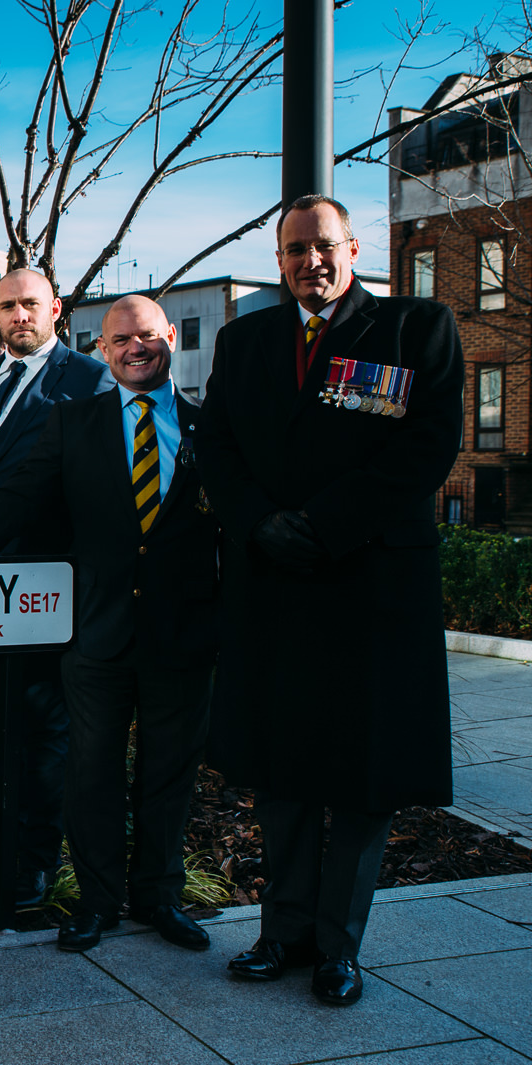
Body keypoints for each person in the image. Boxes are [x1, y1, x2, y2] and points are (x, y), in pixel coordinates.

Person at [197, 194, 463, 1005]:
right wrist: (260, 526)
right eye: (292, 250)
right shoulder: (246, 341)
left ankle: (339, 947)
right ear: (277, 261)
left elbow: (427, 446)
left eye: (322, 245)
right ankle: (282, 932)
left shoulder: (417, 330)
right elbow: (218, 446)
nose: (309, 261)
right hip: (274, 585)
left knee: (361, 774)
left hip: (370, 587)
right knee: (282, 771)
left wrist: (322, 525)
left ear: (352, 248)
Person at [0, 295, 218, 953]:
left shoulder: (210, 426)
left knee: (167, 776)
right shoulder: (74, 423)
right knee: (91, 772)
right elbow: (17, 498)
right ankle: (97, 902)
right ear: (104, 350)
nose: (136, 348)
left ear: (171, 339)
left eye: (148, 337)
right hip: (95, 631)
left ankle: (160, 897)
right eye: (122, 339)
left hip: (181, 637)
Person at [0, 268, 113, 906]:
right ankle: (5, 834)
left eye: (30, 305)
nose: (19, 315)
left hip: (47, 582)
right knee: (3, 721)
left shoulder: (88, 378)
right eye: (7, 306)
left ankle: (38, 856)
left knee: (46, 727)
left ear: (56, 309)